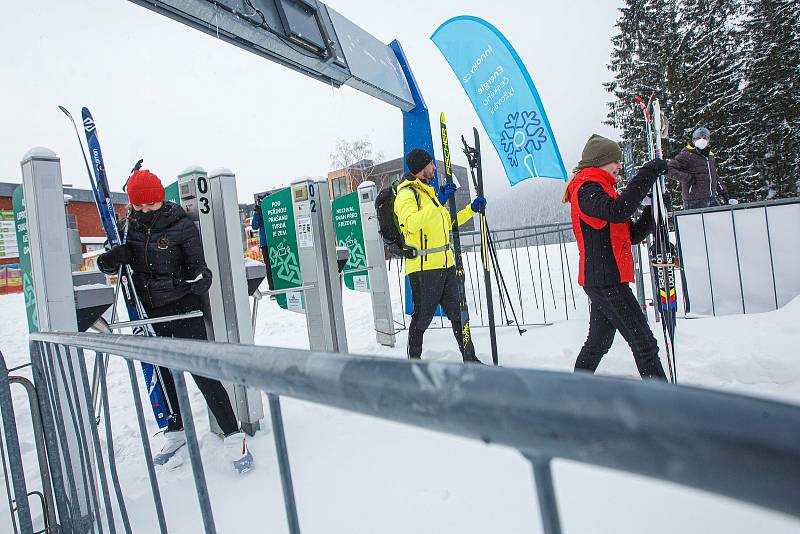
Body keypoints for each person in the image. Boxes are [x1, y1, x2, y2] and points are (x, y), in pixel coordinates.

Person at [97, 169, 253, 472]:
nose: (144, 212)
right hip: (151, 312)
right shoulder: (129, 227)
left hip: (183, 309)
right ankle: (176, 430)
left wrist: (198, 279)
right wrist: (110, 260)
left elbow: (200, 268)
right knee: (164, 374)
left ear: (160, 199)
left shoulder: (179, 224)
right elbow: (118, 256)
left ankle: (234, 436)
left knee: (202, 372)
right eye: (138, 207)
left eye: (150, 205)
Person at [562, 134, 668, 379]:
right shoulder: (585, 188)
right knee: (644, 343)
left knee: (599, 343)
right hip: (604, 279)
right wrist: (646, 174)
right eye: (615, 161)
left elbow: (630, 233)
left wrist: (654, 208)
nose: (619, 165)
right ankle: (663, 403)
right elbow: (617, 211)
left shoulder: (603, 189)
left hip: (606, 277)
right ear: (600, 161)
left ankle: (577, 390)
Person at [394, 148, 486, 363]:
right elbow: (411, 223)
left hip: (446, 265)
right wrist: (437, 202)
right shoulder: (407, 194)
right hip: (423, 268)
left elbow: (448, 223)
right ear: (420, 168)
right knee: (422, 320)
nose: (434, 168)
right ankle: (413, 364)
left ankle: (470, 359)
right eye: (431, 164)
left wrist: (471, 209)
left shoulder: (428, 194)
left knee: (459, 315)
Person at [667, 127, 729, 209]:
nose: (702, 140)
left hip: (711, 198)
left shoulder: (710, 156)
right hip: (694, 200)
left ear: (708, 140)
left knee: (719, 219)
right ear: (694, 140)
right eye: (698, 138)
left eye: (704, 138)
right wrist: (687, 178)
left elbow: (714, 175)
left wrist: (723, 193)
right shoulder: (686, 154)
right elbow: (668, 169)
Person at [250, 193, 275, 291]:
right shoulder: (260, 214)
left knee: (277, 265)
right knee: (269, 267)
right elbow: (254, 226)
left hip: (275, 241)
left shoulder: (273, 210)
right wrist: (257, 212)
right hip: (265, 244)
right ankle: (272, 289)